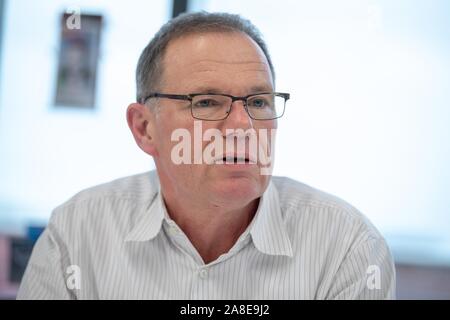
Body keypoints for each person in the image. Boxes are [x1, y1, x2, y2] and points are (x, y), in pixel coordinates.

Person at [17, 12, 395, 299]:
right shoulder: (76, 236)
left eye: (259, 101)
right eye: (208, 102)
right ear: (145, 129)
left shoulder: (347, 247)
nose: (243, 127)